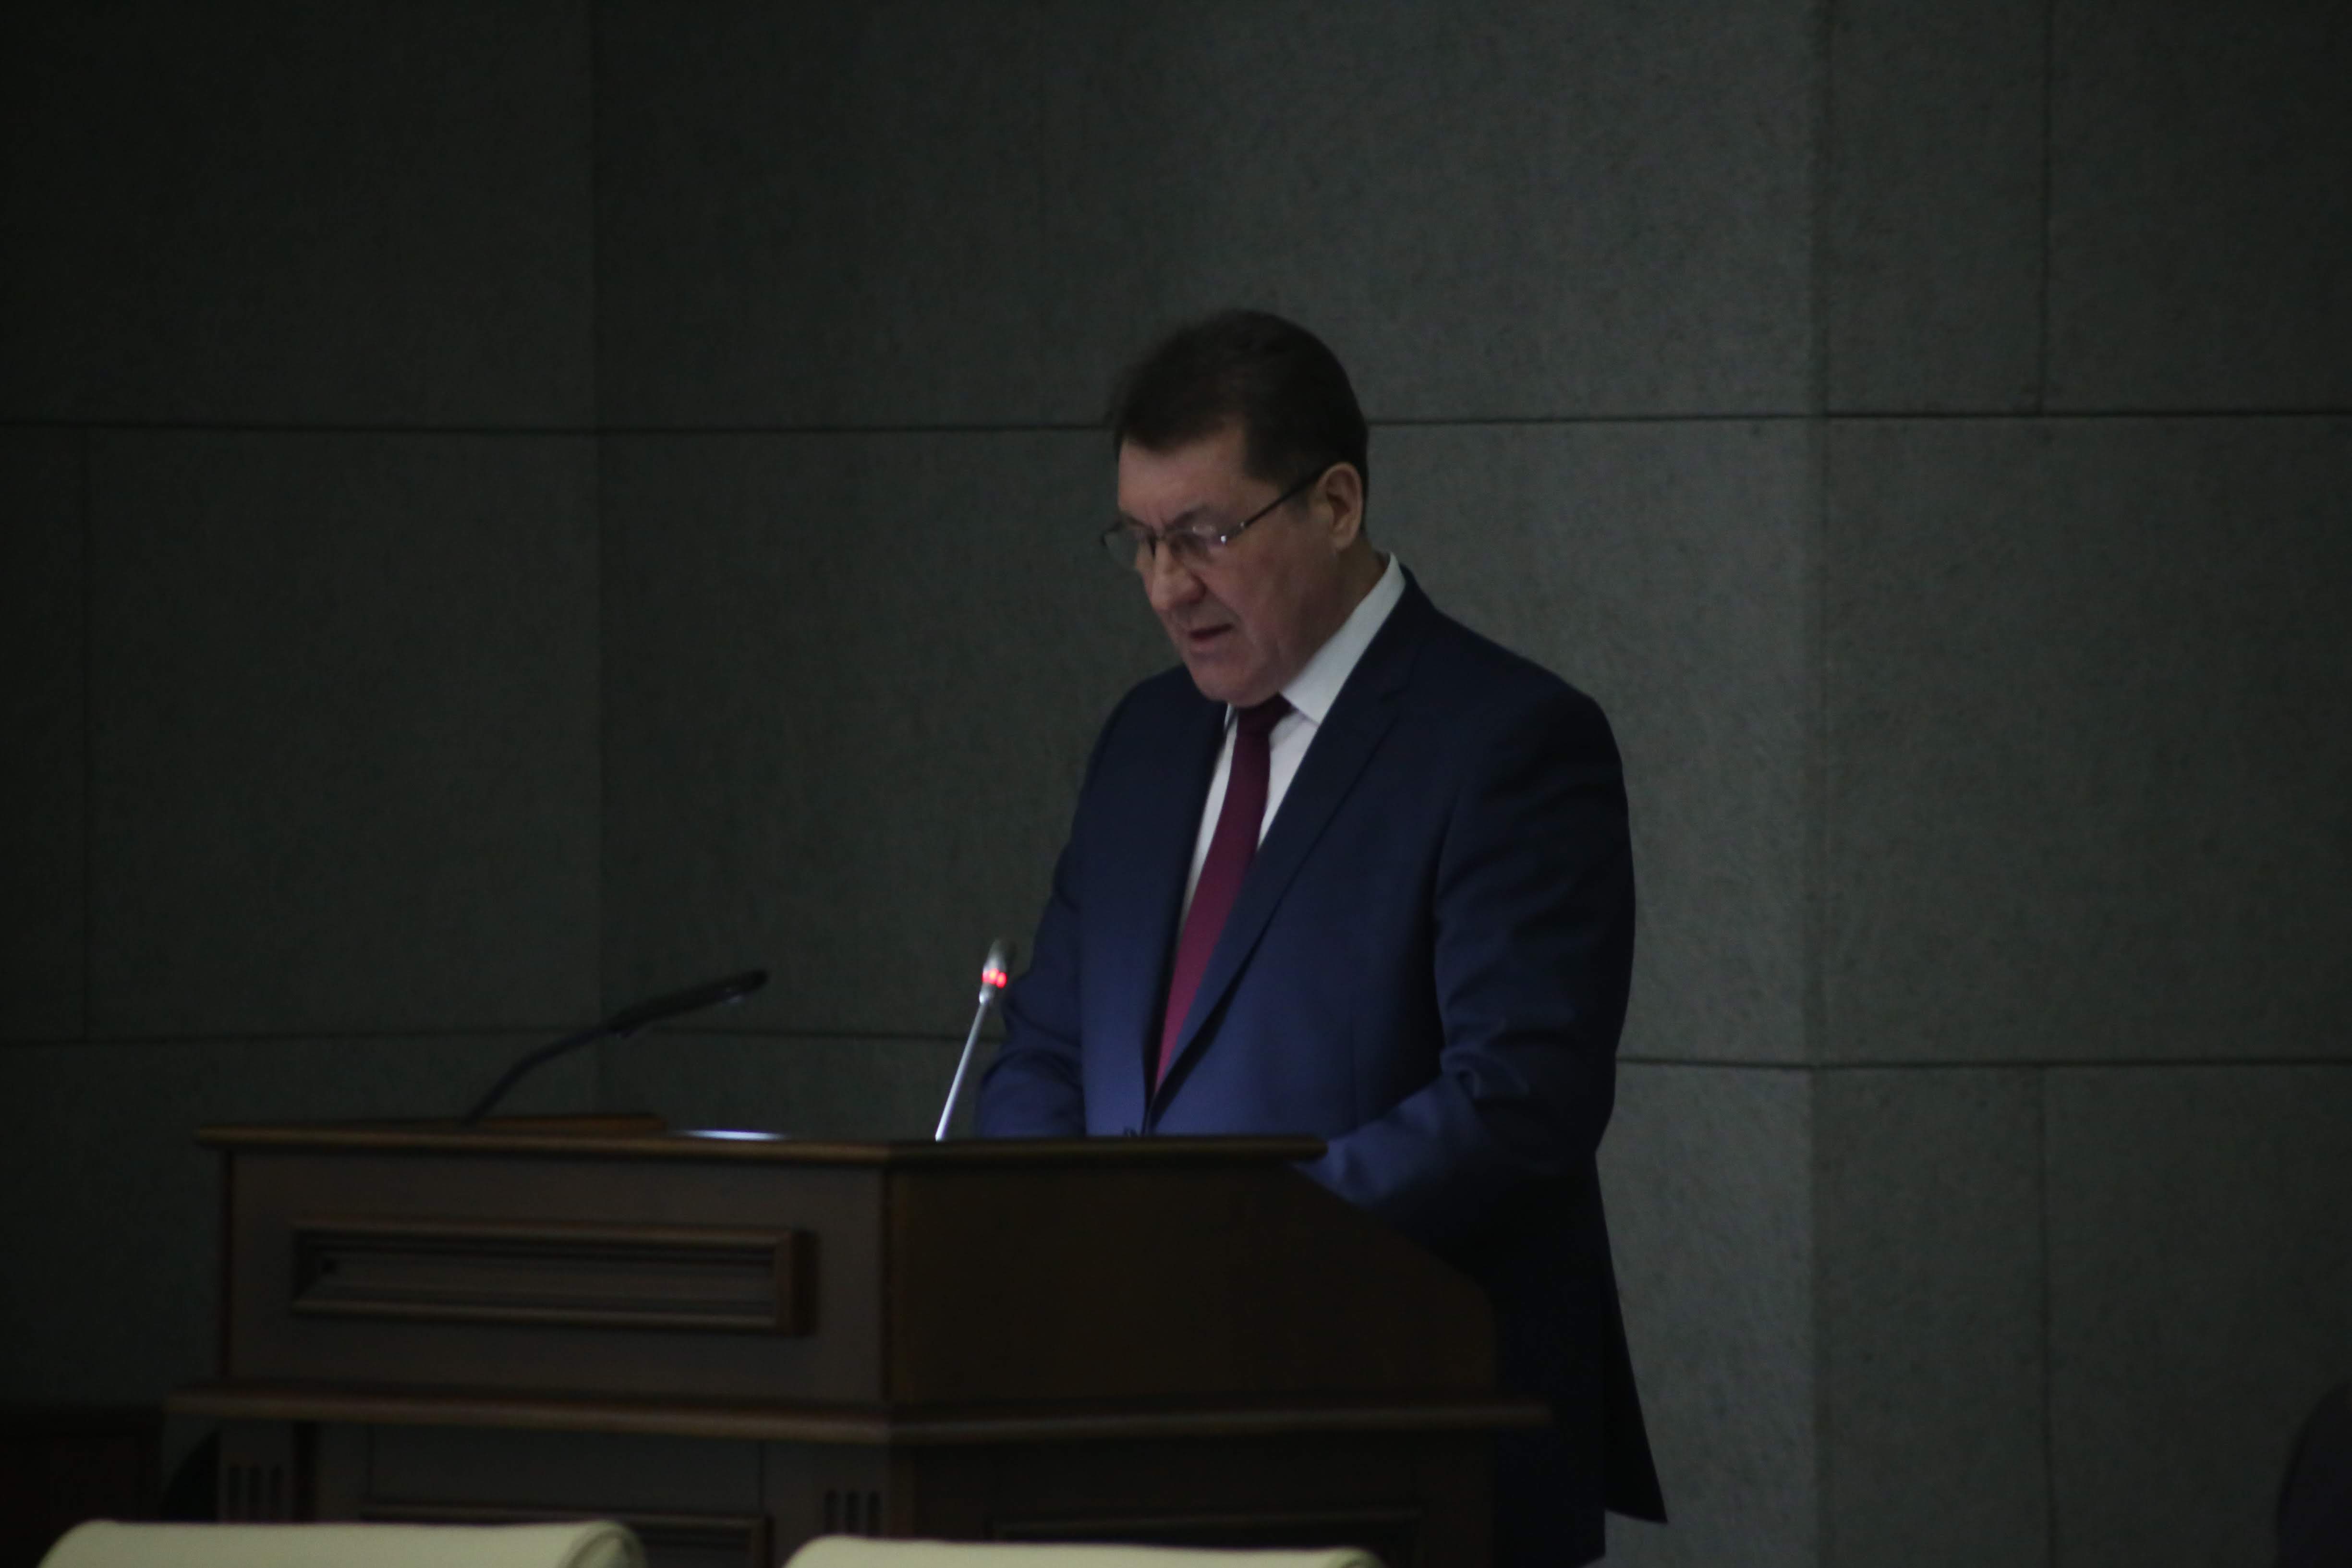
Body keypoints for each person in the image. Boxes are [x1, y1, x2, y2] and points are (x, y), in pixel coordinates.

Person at [974, 309, 1664, 1564]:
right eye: (1140, 542)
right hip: (1126, 1444)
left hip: (1410, 1441)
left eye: (1205, 536)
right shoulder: (1143, 742)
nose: (1166, 586)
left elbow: (1521, 1096)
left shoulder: (1506, 741)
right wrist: (1068, 1251)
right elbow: (1048, 1052)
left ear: (1336, 503)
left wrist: (1222, 1255)